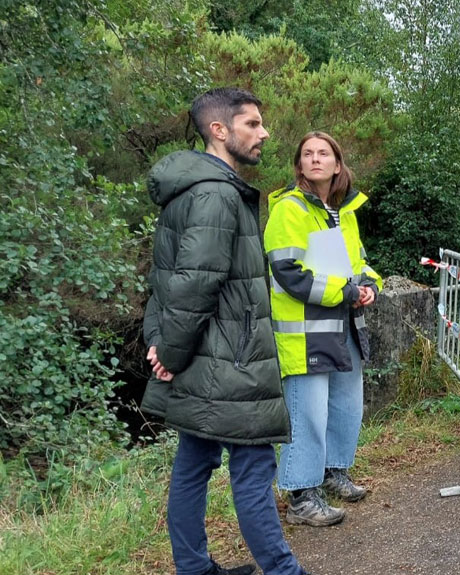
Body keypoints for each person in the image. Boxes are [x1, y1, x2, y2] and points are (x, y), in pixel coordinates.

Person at [142, 87, 308, 575]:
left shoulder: (196, 188)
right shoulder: (215, 193)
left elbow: (165, 278)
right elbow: (195, 284)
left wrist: (165, 344)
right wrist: (169, 353)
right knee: (254, 468)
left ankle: (194, 569)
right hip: (230, 360)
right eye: (252, 124)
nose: (264, 133)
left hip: (206, 354)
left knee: (193, 462)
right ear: (220, 130)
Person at [264, 131, 382, 527]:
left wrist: (368, 287)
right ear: (299, 166)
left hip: (346, 323)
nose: (315, 159)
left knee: (347, 404)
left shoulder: (344, 211)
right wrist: (343, 290)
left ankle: (333, 473)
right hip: (306, 330)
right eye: (307, 154)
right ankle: (301, 496)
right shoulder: (289, 209)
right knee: (308, 413)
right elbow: (287, 273)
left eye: (324, 153)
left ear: (337, 163)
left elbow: (361, 263)